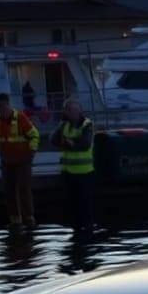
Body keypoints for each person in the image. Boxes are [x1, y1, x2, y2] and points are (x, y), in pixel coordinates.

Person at [0, 93, 40, 231]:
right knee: (9, 190)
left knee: (23, 189)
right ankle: (15, 220)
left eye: (3, 106)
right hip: (6, 161)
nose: (1, 109)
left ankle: (29, 219)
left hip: (23, 160)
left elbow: (34, 135)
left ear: (8, 104)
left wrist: (32, 152)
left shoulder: (20, 118)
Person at [51, 97, 95, 232]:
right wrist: (69, 140)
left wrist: (70, 143)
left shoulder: (86, 124)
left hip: (84, 172)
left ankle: (87, 229)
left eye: (71, 110)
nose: (68, 113)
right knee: (72, 204)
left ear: (78, 111)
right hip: (68, 172)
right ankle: (76, 228)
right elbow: (54, 140)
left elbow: (85, 143)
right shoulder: (64, 125)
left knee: (85, 204)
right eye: (67, 111)